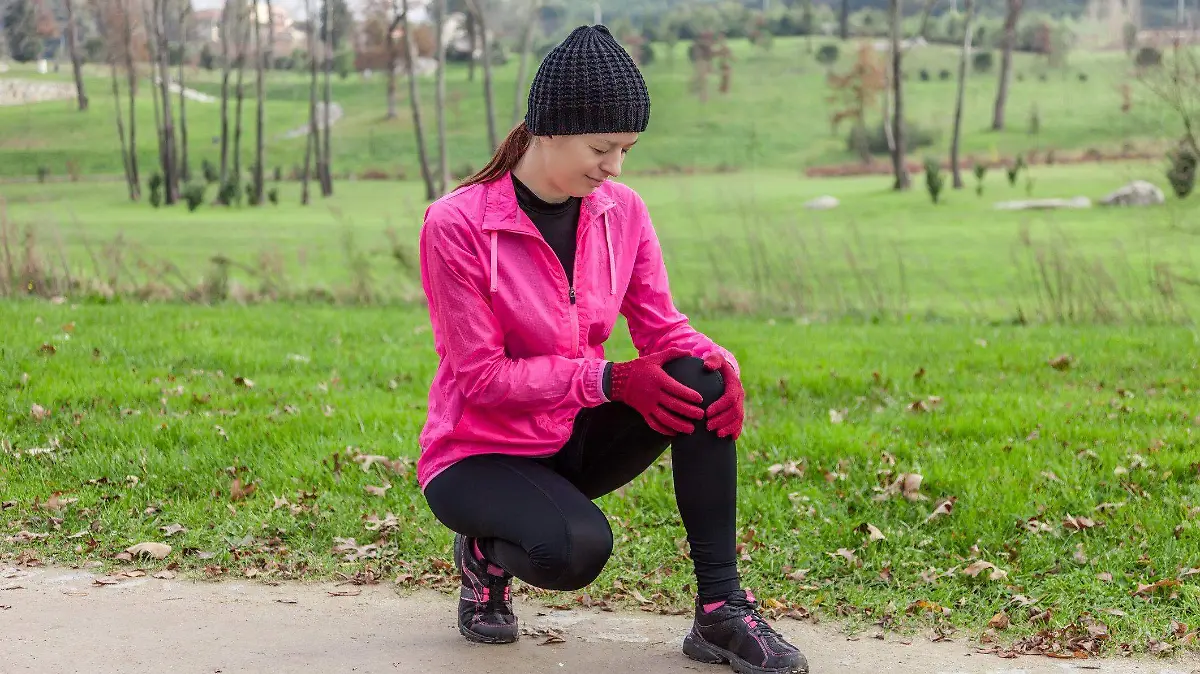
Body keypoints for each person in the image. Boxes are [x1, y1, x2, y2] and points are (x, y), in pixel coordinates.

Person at [415, 24, 808, 674]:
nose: (614, 167)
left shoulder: (621, 211)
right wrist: (610, 381)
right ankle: (483, 554)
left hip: (568, 436)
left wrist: (723, 364)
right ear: (549, 129)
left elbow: (663, 329)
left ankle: (721, 610)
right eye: (602, 148)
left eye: (626, 149)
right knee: (574, 551)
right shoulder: (457, 224)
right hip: (477, 455)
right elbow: (482, 378)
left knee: (698, 379)